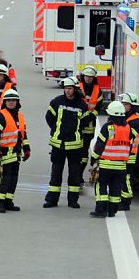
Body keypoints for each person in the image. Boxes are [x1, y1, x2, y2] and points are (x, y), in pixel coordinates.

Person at [44, 76, 88, 209]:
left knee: (74, 175)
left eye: (70, 88)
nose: (68, 91)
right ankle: (52, 200)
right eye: (66, 89)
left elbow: (84, 123)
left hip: (75, 146)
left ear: (75, 89)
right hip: (58, 144)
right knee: (56, 173)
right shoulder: (56, 102)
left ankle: (73, 200)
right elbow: (49, 118)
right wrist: (57, 130)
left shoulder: (82, 105)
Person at [88, 101, 136, 218]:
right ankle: (112, 211)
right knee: (116, 189)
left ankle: (101, 210)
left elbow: (100, 145)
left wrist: (93, 158)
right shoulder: (128, 128)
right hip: (121, 166)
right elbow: (129, 146)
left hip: (106, 164)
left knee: (101, 186)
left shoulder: (108, 127)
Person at [0, 89, 30, 213]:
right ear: (5, 102)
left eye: (13, 100)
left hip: (16, 153)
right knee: (4, 178)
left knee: (13, 178)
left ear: (17, 102)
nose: (11, 102)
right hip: (5, 152)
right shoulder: (1, 115)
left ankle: (8, 201)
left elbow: (23, 134)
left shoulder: (20, 116)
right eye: (9, 100)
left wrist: (26, 148)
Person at [119, 92, 139, 211]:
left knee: (127, 178)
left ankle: (125, 202)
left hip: (130, 154)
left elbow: (128, 137)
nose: (123, 106)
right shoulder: (125, 117)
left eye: (126, 104)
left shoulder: (135, 121)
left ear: (132, 106)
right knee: (122, 178)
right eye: (123, 103)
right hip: (123, 153)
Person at [78, 66, 102, 177]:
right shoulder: (77, 87)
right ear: (83, 76)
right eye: (86, 76)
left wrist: (92, 115)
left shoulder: (98, 91)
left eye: (90, 77)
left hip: (89, 126)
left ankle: (79, 175)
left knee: (84, 152)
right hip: (77, 124)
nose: (88, 79)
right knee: (76, 151)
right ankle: (76, 174)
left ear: (94, 78)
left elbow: (99, 107)